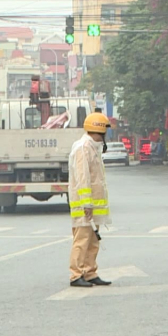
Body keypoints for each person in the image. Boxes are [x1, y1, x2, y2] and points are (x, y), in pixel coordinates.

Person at [68, 112, 113, 287]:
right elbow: (83, 177)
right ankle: (76, 275)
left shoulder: (93, 148)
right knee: (82, 241)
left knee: (93, 240)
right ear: (99, 130)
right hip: (84, 205)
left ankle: (89, 272)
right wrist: (86, 203)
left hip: (93, 205)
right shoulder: (83, 148)